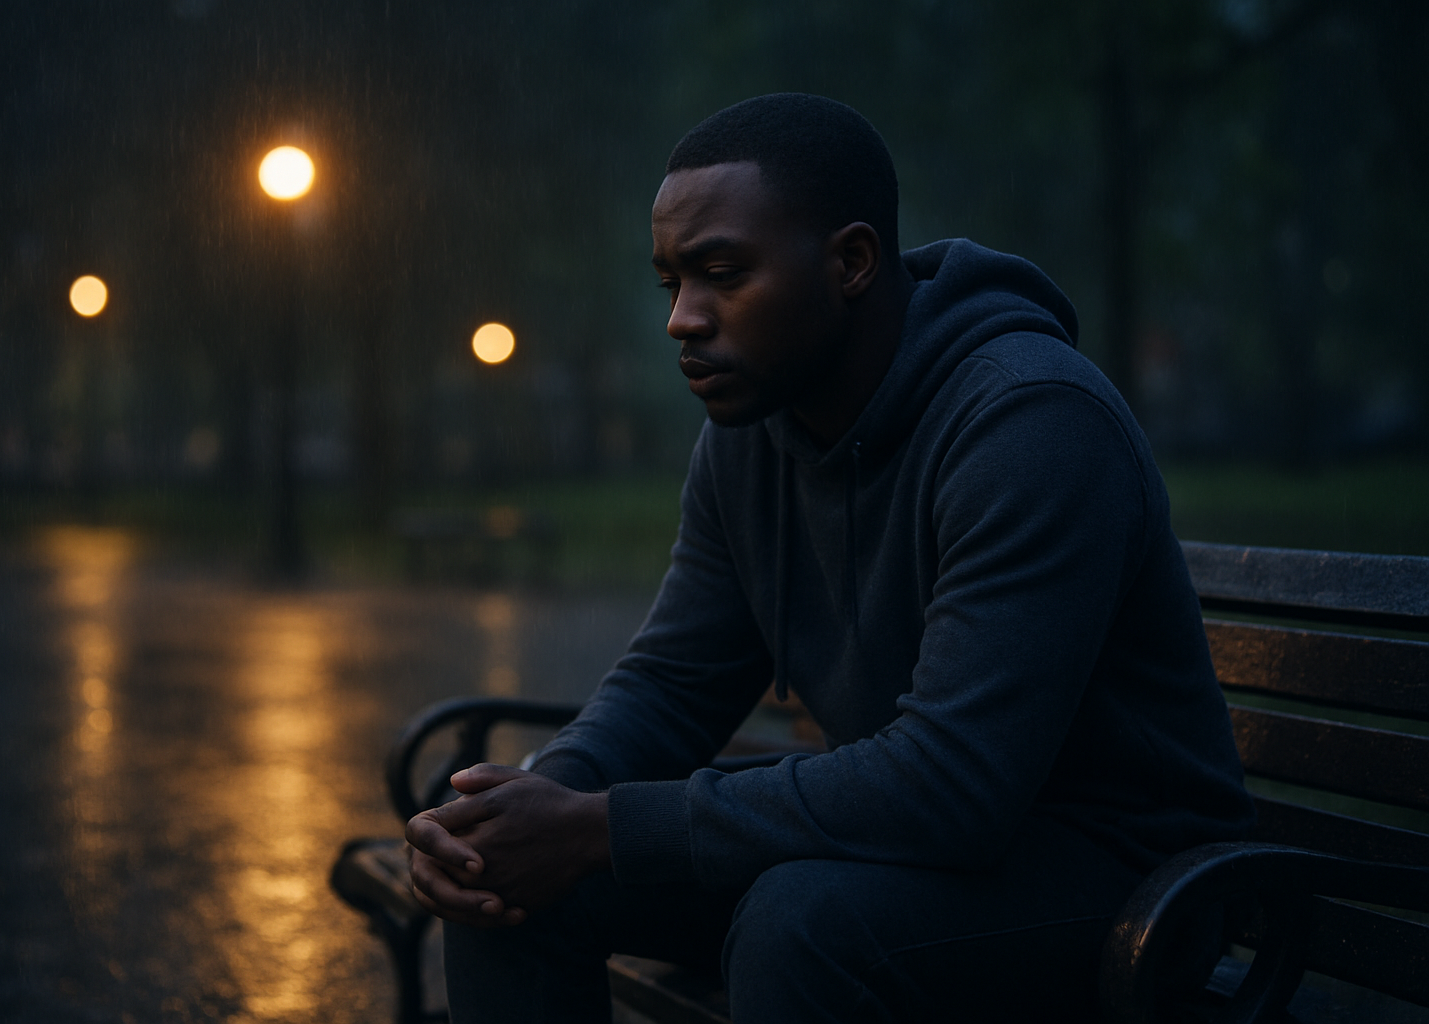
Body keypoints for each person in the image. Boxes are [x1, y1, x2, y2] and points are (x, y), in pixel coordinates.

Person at [405, 93, 1253, 1023]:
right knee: (505, 884)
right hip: (909, 850)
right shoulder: (752, 429)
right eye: (671, 283)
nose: (684, 319)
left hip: (1126, 876)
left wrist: (600, 827)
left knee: (801, 924)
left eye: (722, 273)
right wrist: (532, 810)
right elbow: (673, 682)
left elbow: (953, 787)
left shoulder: (1031, 425)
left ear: (850, 261)